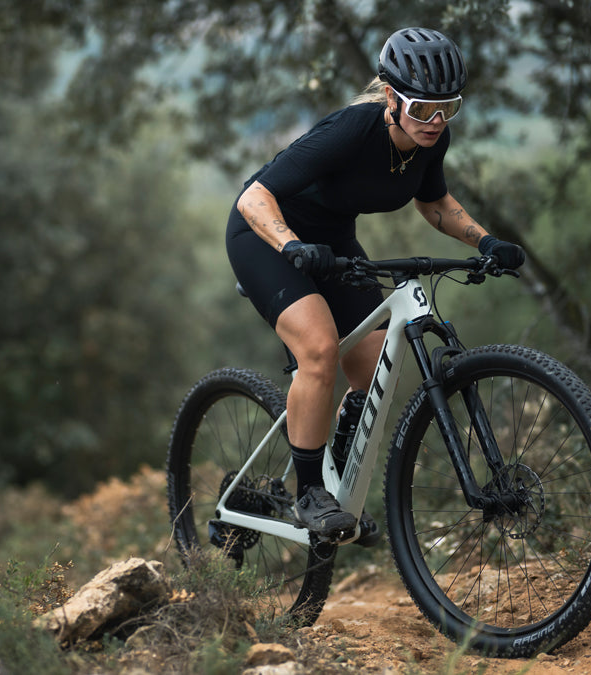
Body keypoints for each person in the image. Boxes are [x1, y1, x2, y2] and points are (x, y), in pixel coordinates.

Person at [225, 27, 526, 541]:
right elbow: (255, 198)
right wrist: (293, 247)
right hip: (267, 238)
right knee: (319, 349)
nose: (435, 122)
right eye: (422, 108)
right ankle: (308, 495)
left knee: (371, 367)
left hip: (333, 242)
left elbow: (434, 204)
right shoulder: (351, 130)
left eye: (448, 109)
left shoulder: (432, 138)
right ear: (391, 97)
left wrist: (485, 242)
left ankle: (334, 480)